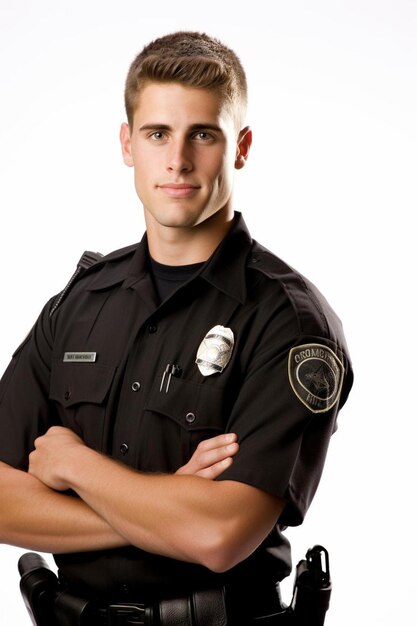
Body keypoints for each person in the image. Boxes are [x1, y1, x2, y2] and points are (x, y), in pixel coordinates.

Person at [0, 31, 353, 625]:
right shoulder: (77, 304)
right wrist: (164, 501)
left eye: (204, 134)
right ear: (127, 144)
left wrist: (75, 467)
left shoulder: (289, 323)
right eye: (157, 133)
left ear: (240, 146)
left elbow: (218, 534)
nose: (178, 160)